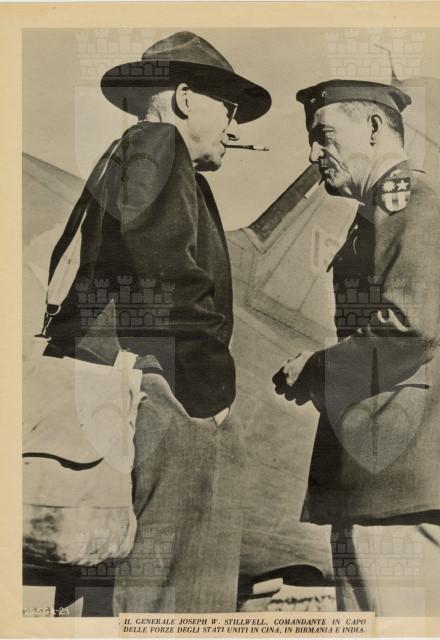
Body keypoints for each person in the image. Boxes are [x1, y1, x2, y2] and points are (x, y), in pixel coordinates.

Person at [42, 31, 271, 614]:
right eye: (229, 109)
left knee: (127, 589)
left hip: (132, 392)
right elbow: (164, 267)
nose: (234, 127)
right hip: (165, 393)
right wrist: (209, 389)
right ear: (187, 98)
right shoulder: (157, 141)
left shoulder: (128, 155)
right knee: (175, 596)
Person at [273, 79, 440, 616]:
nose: (314, 154)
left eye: (324, 136)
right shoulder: (399, 204)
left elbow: (408, 327)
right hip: (417, 478)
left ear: (374, 127)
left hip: (396, 478)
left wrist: (316, 370)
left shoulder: (404, 198)